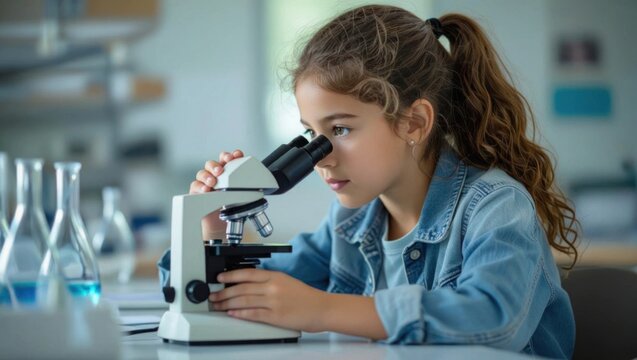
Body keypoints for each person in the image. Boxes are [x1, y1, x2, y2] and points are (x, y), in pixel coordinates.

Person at [158, 5, 578, 359]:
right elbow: (236, 296)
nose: (322, 158)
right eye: (312, 135)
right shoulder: (352, 225)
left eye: (340, 129)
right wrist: (210, 235)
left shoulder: (497, 208)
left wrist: (323, 310)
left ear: (414, 122)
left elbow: (493, 320)